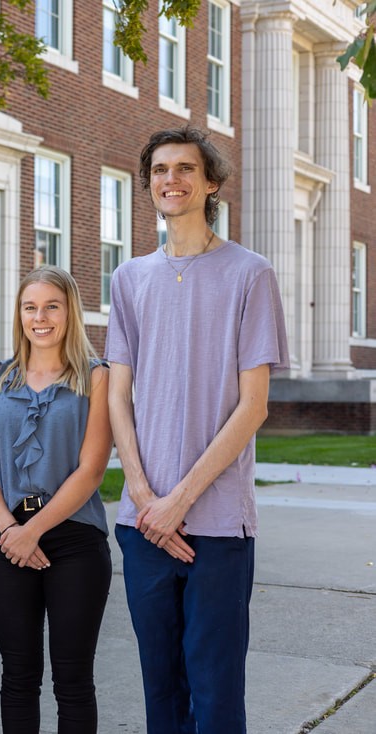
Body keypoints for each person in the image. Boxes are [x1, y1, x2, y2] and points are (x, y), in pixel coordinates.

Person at [106, 127, 289, 733]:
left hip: (216, 527)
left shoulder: (249, 274)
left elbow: (254, 405)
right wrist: (141, 494)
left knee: (215, 697)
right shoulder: (129, 279)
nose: (171, 180)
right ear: (149, 184)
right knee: (161, 694)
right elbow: (117, 394)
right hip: (144, 525)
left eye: (185, 168)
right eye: (159, 170)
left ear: (211, 183)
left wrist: (179, 500)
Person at [0, 265, 113, 733]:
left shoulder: (96, 379)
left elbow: (91, 470)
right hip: (9, 541)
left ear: (70, 311)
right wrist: (11, 531)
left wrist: (33, 530)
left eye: (52, 306)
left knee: (73, 681)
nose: (41, 317)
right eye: (30, 307)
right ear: (18, 314)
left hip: (74, 542)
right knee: (17, 677)